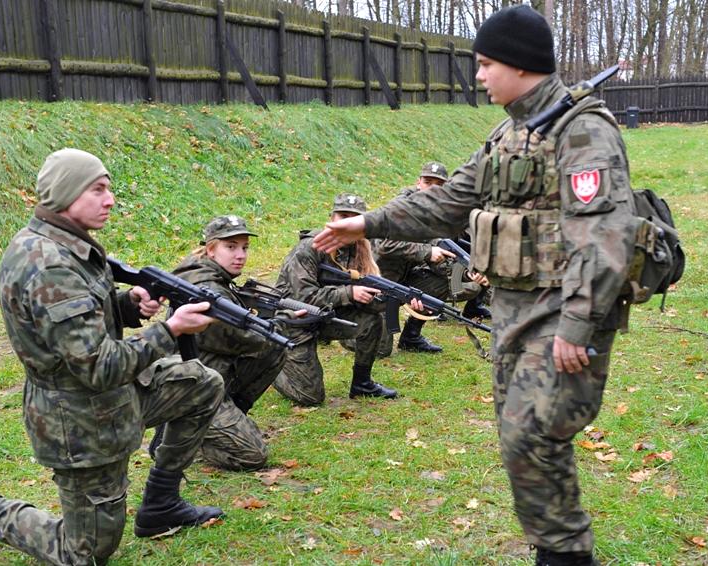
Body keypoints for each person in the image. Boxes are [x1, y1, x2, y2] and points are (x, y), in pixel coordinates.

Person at [313, 6, 637, 566]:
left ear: (519, 63)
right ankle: (557, 550)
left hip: (562, 309)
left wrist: (578, 325)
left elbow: (604, 236)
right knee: (520, 439)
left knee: (536, 435)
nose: (480, 75)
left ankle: (565, 555)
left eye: (487, 64)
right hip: (515, 307)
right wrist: (367, 223)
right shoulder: (511, 131)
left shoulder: (582, 129)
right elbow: (447, 200)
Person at [0, 149, 225, 564]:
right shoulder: (48, 264)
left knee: (202, 384)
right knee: (82, 553)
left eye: (109, 188)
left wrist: (125, 305)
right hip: (79, 421)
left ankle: (160, 504)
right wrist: (170, 330)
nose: (111, 199)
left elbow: (70, 327)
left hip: (114, 400)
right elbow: (97, 366)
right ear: (66, 194)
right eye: (98, 189)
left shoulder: (68, 245)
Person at [172, 215, 287, 471]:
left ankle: (230, 416)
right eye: (231, 247)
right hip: (192, 390)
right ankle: (187, 435)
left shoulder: (214, 278)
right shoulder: (205, 288)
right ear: (210, 249)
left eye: (244, 247)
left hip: (211, 376)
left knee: (275, 347)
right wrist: (282, 323)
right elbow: (239, 338)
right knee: (253, 456)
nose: (240, 255)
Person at [273, 193, 398, 405]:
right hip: (294, 320)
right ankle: (272, 366)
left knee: (372, 322)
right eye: (343, 216)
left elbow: (371, 298)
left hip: (325, 315)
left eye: (354, 218)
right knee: (310, 397)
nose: (347, 222)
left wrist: (398, 300)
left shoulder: (360, 249)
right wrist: (349, 293)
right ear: (332, 219)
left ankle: (362, 383)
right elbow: (302, 296)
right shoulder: (310, 248)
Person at [372, 161, 489, 354]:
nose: (432, 189)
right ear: (419, 183)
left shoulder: (437, 214)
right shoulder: (400, 207)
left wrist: (470, 272)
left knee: (439, 284)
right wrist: (427, 252)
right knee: (380, 350)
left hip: (407, 275)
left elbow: (443, 259)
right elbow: (385, 245)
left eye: (438, 185)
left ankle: (411, 337)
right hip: (378, 282)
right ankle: (340, 327)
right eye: (428, 182)